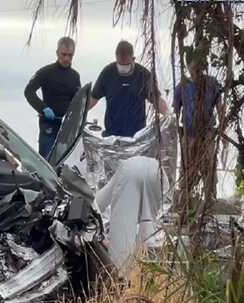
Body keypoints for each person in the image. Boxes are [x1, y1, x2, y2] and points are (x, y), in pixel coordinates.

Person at [173, 52, 224, 216]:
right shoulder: (182, 86)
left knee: (209, 173)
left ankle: (208, 211)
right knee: (187, 174)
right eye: (192, 67)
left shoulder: (212, 83)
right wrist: (178, 133)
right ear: (188, 67)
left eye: (198, 67)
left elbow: (220, 107)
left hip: (207, 135)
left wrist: (222, 128)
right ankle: (183, 211)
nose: (195, 71)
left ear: (203, 66)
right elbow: (175, 112)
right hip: (189, 136)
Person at [89, 40, 169, 137]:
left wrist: (168, 115)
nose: (123, 68)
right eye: (120, 64)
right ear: (116, 58)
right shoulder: (108, 73)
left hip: (137, 135)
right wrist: (79, 115)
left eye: (126, 65)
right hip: (112, 134)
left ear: (133, 59)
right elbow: (93, 99)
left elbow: (157, 100)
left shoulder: (143, 75)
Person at [24, 37, 81, 158]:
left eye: (70, 55)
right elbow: (28, 92)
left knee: (65, 161)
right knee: (47, 160)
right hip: (49, 125)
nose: (66, 58)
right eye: (63, 54)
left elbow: (78, 101)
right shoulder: (46, 72)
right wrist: (43, 108)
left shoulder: (75, 76)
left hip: (67, 128)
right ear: (57, 53)